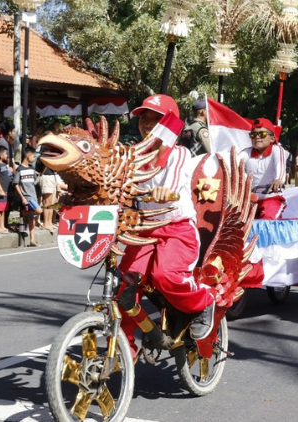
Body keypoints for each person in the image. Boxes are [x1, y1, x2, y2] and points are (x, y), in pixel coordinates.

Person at [119, 94, 215, 347]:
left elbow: (172, 182)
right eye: (144, 118)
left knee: (165, 275)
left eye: (155, 119)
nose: (147, 124)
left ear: (170, 124)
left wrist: (162, 192)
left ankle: (203, 302)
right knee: (125, 286)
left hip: (177, 229)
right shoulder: (132, 156)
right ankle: (124, 346)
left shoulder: (179, 154)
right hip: (143, 231)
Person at [237, 118, 286, 219]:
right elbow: (233, 163)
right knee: (237, 221)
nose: (257, 137)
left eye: (262, 134)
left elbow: (280, 165)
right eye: (253, 135)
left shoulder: (277, 149)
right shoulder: (246, 152)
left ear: (272, 139)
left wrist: (279, 179)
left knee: (268, 218)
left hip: (272, 197)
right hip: (250, 199)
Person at [14, 148, 43, 246]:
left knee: (32, 219)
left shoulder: (31, 168)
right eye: (33, 156)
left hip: (33, 195)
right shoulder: (19, 169)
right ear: (28, 156)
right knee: (39, 211)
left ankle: (32, 240)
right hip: (27, 197)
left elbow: (34, 181)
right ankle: (23, 212)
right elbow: (16, 184)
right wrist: (22, 197)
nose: (34, 158)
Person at [0, 145, 13, 234]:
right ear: (0, 155)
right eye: (5, 154)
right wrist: (0, 189)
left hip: (7, 191)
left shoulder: (4, 164)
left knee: (3, 209)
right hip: (1, 191)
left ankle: (2, 225)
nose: (6, 155)